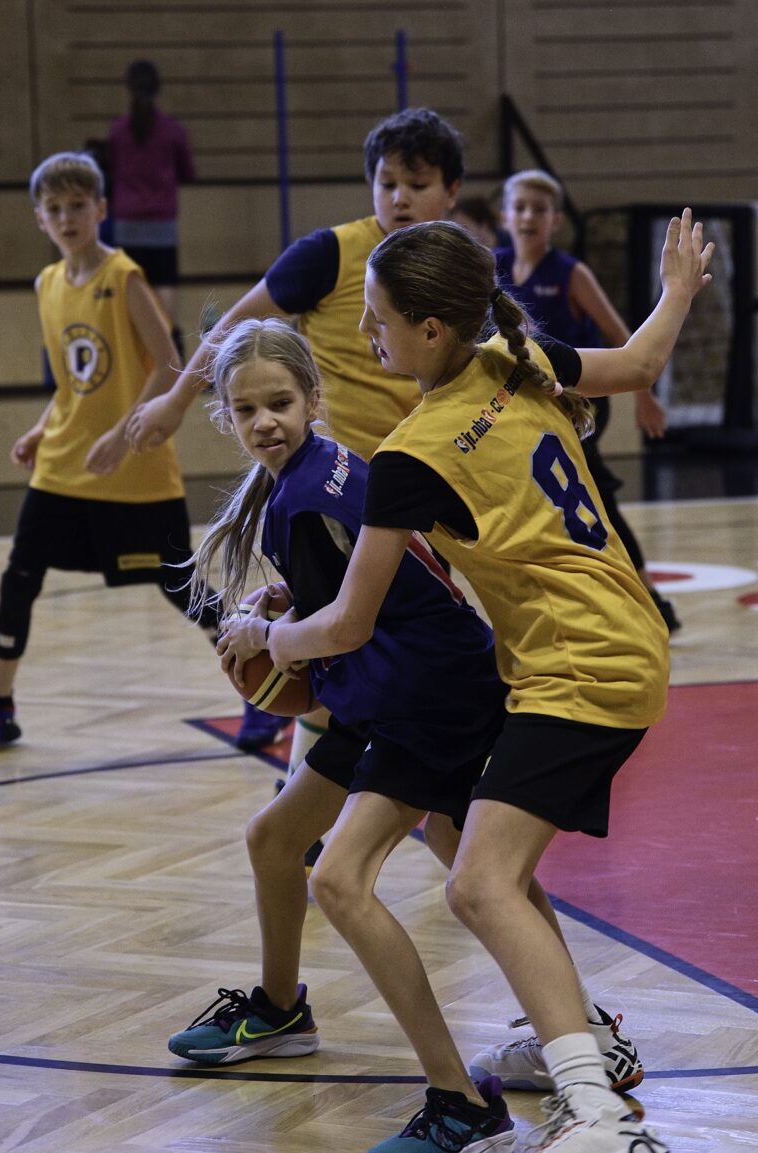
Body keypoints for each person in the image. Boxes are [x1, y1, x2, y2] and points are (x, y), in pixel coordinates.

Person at [256, 212, 713, 1152]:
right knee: (466, 850)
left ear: (430, 329)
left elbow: (347, 624)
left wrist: (269, 635)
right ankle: (583, 1053)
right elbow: (638, 364)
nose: (365, 332)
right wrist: (676, 291)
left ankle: (596, 1113)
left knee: (479, 883)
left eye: (378, 317)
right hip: (616, 637)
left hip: (577, 664)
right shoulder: (515, 356)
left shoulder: (412, 452)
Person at [166, 316, 518, 1149]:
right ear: (225, 416)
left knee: (345, 878)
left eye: (280, 403)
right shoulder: (323, 469)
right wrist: (289, 604)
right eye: (246, 409)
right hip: (407, 685)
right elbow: (355, 590)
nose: (265, 422)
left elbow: (345, 627)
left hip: (427, 695)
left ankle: (463, 1101)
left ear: (313, 398)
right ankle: (280, 1010)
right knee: (275, 838)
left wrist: (267, 634)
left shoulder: (302, 495)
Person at [127, 106, 464, 755]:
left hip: (425, 492)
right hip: (339, 491)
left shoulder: (456, 273)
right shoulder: (330, 254)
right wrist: (175, 398)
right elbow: (234, 326)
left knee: (396, 652)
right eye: (387, 182)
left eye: (417, 184)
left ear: (450, 192)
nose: (399, 197)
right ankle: (296, 724)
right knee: (341, 642)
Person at [0, 151, 219, 753]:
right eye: (54, 208)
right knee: (19, 576)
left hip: (134, 464)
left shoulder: (124, 276)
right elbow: (74, 386)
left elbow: (168, 363)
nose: (66, 218)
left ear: (101, 210)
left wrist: (121, 434)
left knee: (181, 585)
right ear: (39, 218)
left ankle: (267, 684)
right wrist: (41, 429)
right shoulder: (45, 284)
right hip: (64, 465)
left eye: (77, 206)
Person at [496, 168, 681, 633]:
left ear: (556, 220)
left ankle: (649, 597)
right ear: (504, 216)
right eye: (520, 207)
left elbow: (622, 337)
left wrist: (645, 398)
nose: (528, 217)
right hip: (526, 400)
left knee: (592, 492)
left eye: (539, 209)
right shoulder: (493, 267)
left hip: (581, 396)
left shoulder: (571, 273)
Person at [108, 59, 195, 355]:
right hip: (161, 222)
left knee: (131, 287)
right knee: (164, 285)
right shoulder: (172, 130)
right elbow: (188, 172)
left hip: (127, 223)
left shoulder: (118, 131)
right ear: (158, 89)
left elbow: (111, 171)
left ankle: (136, 350)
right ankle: (170, 347)